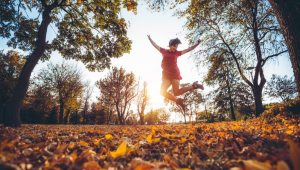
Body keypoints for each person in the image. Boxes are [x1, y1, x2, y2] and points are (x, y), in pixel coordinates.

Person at [147, 35, 204, 110]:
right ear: (170, 45)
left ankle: (194, 86)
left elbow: (188, 49)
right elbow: (155, 45)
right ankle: (178, 101)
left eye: (176, 47)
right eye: (174, 46)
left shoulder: (177, 53)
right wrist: (150, 38)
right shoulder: (163, 51)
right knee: (162, 92)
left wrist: (197, 44)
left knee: (176, 92)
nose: (175, 48)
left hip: (174, 73)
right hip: (166, 75)